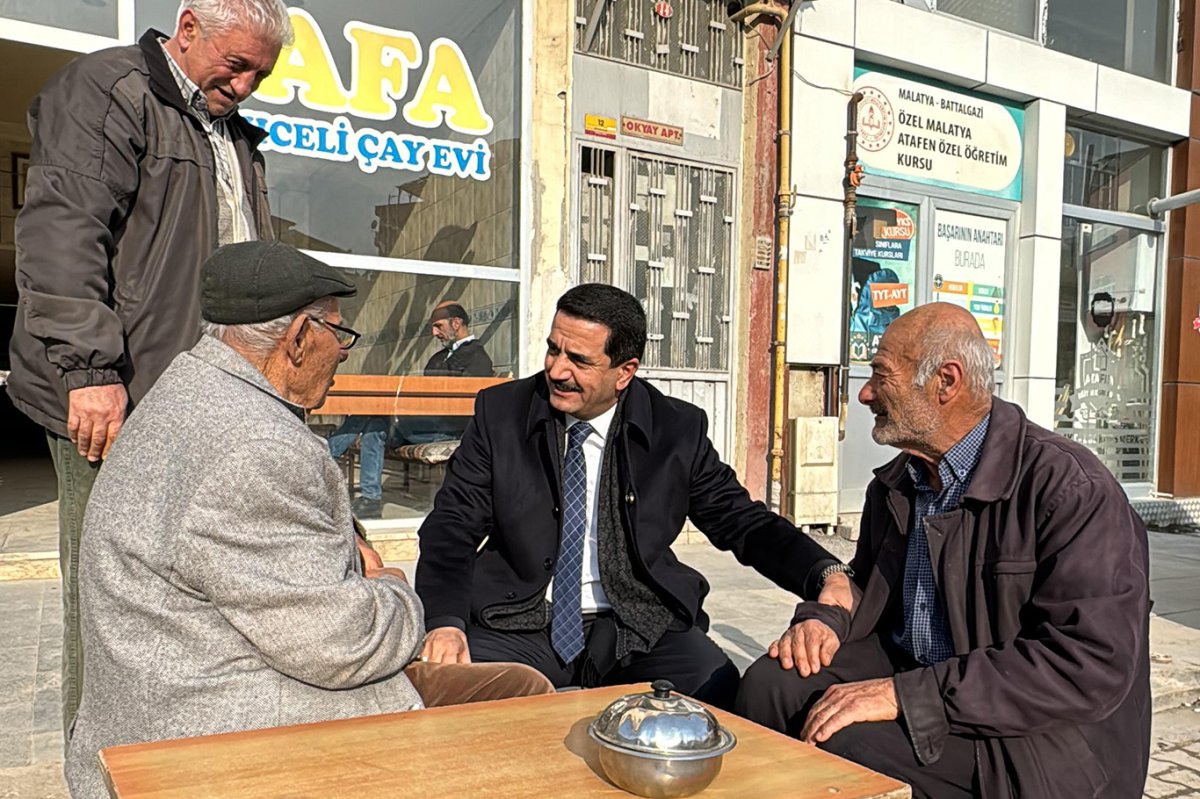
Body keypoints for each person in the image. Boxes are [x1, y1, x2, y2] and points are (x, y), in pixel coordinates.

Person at [65, 241, 551, 799]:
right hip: (217, 726)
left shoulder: (185, 389)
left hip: (180, 683)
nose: (343, 352)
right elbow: (342, 646)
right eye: (339, 335)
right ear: (298, 338)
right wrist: (394, 591)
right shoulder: (254, 445)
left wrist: (352, 545)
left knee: (516, 683)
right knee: (517, 706)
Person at [7, 0, 290, 736]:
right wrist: (88, 368)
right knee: (108, 598)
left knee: (188, 588)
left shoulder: (233, 136)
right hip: (117, 396)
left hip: (202, 400)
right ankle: (96, 766)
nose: (247, 85)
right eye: (237, 64)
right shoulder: (108, 91)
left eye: (262, 72)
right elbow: (62, 232)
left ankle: (170, 752)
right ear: (188, 27)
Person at [736, 303, 1151, 799]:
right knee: (770, 685)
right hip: (923, 676)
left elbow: (1089, 661)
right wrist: (823, 622)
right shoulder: (898, 482)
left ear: (946, 382)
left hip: (1036, 735)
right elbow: (869, 590)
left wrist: (905, 696)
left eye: (881, 376)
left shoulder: (1069, 489)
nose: (866, 394)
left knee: (844, 740)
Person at [414, 283, 853, 709]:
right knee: (448, 692)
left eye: (579, 360)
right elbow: (452, 524)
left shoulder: (676, 431)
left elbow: (742, 520)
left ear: (624, 371)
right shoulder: (502, 413)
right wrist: (445, 622)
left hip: (636, 621)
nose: (556, 371)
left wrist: (823, 571)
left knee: (714, 691)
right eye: (553, 349)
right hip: (520, 618)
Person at [328, 301, 494, 518]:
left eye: (439, 326)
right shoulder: (438, 358)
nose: (435, 333)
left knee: (374, 413)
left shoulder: (477, 357)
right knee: (374, 422)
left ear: (456, 323)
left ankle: (329, 454)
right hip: (424, 423)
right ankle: (369, 498)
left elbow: (468, 402)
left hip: (448, 428)